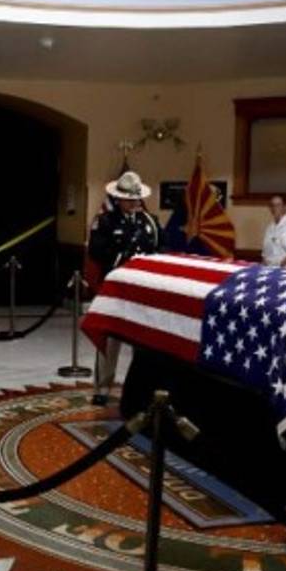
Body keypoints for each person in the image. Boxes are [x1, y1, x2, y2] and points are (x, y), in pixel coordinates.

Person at [88, 170, 161, 406]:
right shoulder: (106, 221)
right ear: (118, 199)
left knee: (143, 343)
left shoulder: (150, 222)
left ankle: (139, 389)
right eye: (129, 199)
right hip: (116, 288)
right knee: (110, 340)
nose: (134, 203)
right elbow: (96, 251)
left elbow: (162, 248)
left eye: (136, 198)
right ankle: (103, 387)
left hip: (143, 289)